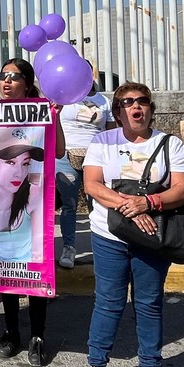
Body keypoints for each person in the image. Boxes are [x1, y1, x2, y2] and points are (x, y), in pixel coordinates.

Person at [75, 82, 184, 367]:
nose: (135, 107)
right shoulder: (102, 141)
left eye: (142, 101)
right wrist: (132, 206)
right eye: (127, 103)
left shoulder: (170, 144)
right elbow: (93, 185)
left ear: (151, 109)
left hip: (152, 238)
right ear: (117, 112)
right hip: (109, 236)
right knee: (108, 303)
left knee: (149, 303)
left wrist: (150, 203)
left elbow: (182, 190)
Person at [0, 58, 55, 366]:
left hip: (36, 206)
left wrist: (54, 116)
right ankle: (10, 332)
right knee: (6, 281)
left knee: (35, 276)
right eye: (2, 75)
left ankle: (37, 336)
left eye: (14, 76)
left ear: (27, 82)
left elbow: (57, 151)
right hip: (0, 225)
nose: (6, 81)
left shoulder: (42, 110)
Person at [55, 71, 114, 269]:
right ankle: (69, 248)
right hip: (66, 155)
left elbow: (111, 132)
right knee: (69, 205)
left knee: (97, 204)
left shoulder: (103, 101)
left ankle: (101, 248)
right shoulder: (61, 98)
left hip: (96, 158)